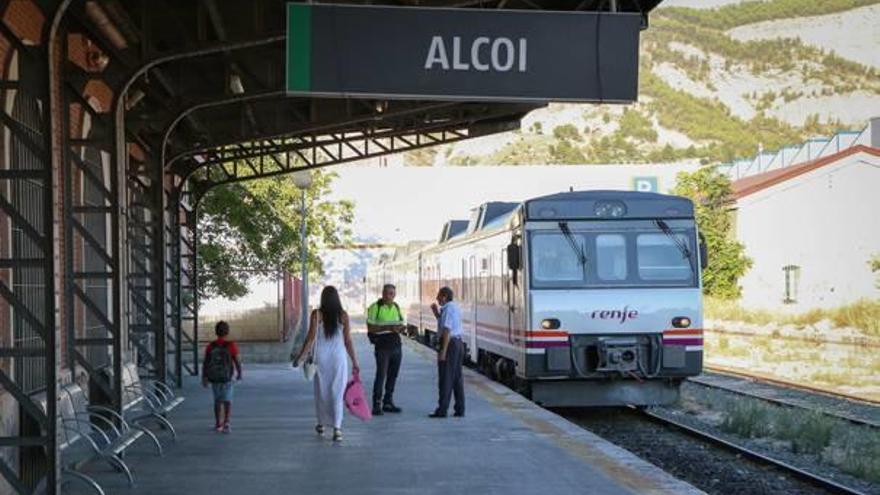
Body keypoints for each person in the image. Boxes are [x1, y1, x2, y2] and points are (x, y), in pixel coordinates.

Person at [294, 286, 360, 442]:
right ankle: (337, 429)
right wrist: (355, 361)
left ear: (323, 298)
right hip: (338, 358)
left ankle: (321, 424)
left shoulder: (317, 315)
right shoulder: (343, 315)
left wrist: (300, 357)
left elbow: (310, 339)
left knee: (321, 392)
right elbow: (348, 341)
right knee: (337, 393)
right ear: (337, 298)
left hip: (321, 358)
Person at [366, 284, 405, 415]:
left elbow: (400, 323)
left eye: (391, 294)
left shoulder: (396, 307)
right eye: (387, 293)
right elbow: (370, 328)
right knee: (381, 375)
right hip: (382, 346)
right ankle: (376, 404)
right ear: (382, 293)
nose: (389, 296)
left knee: (393, 375)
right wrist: (388, 328)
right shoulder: (374, 307)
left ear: (394, 295)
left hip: (396, 345)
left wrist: (402, 328)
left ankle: (388, 402)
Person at [429, 286, 465, 418]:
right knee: (456, 377)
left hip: (450, 345)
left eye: (438, 296)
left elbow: (447, 330)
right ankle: (460, 409)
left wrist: (443, 351)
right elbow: (446, 324)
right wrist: (437, 314)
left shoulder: (449, 309)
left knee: (446, 377)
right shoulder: (452, 307)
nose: (437, 299)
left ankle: (442, 409)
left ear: (444, 296)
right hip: (458, 343)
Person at [202, 321, 243, 433]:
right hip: (227, 378)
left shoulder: (211, 346)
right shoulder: (231, 345)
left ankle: (218, 424)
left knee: (217, 400)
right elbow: (237, 360)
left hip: (215, 378)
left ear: (216, 332)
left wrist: (204, 377)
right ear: (227, 332)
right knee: (228, 400)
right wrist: (239, 373)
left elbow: (206, 362)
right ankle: (227, 422)